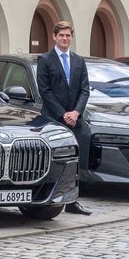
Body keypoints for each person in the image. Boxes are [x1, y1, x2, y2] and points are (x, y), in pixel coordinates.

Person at [36, 21, 92, 215]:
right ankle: (50, 199)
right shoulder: (45, 59)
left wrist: (76, 112)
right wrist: (63, 114)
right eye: (61, 35)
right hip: (53, 119)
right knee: (56, 160)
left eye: (68, 35)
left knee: (75, 161)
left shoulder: (79, 61)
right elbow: (45, 91)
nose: (65, 39)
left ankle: (73, 201)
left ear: (71, 37)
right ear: (54, 37)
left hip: (75, 119)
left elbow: (85, 89)